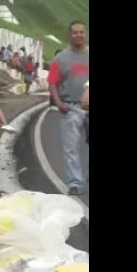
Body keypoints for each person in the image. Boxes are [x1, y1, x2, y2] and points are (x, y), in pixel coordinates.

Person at [48, 20, 89, 195]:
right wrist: (58, 103)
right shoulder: (61, 58)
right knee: (71, 148)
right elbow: (52, 83)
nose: (78, 35)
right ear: (69, 35)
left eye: (81, 32)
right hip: (70, 107)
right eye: (75, 32)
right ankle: (74, 183)